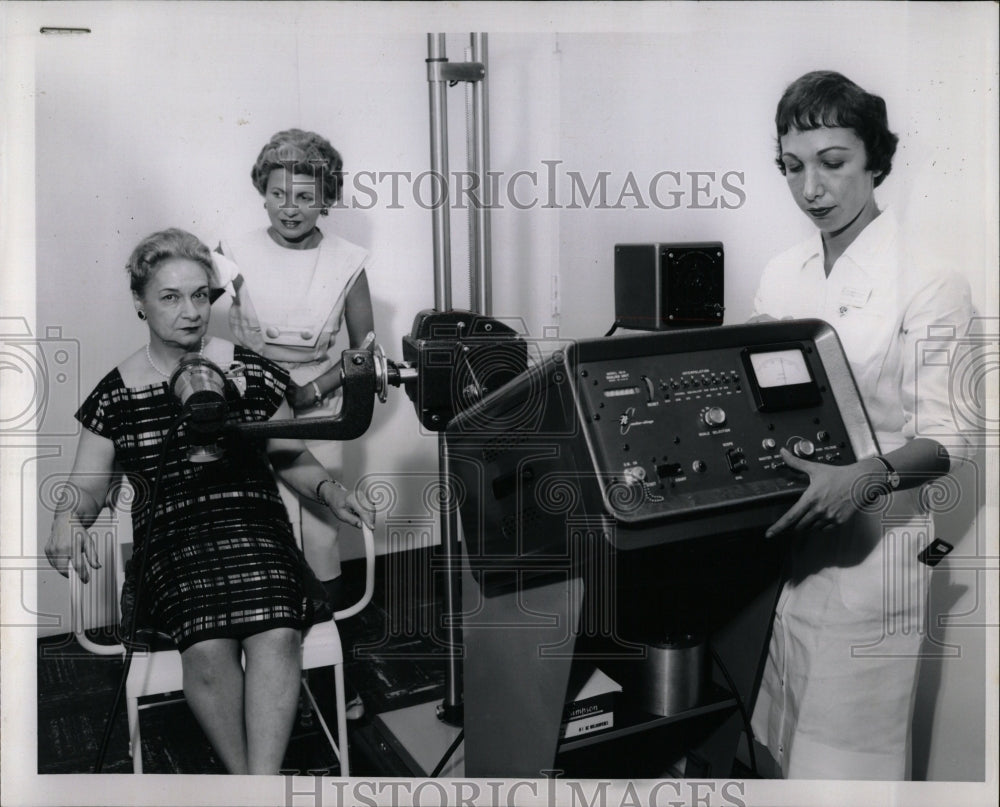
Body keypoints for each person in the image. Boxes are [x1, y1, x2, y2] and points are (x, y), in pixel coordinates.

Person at [44, 229, 374, 775]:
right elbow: (87, 489)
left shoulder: (249, 371)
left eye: (200, 294)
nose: (190, 311)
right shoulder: (115, 393)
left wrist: (331, 492)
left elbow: (290, 456)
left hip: (254, 530)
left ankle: (256, 787)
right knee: (205, 641)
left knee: (275, 627)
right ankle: (251, 783)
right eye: (170, 297)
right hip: (173, 544)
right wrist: (66, 519)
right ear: (140, 304)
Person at [748, 71, 975, 780]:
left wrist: (864, 478)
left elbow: (952, 438)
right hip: (788, 538)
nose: (811, 188)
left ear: (875, 159)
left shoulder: (931, 279)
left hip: (877, 554)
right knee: (776, 742)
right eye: (793, 167)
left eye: (833, 163)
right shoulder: (781, 274)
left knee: (844, 768)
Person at [212, 129, 375, 718]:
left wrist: (313, 388)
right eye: (279, 193)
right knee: (250, 532)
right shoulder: (231, 250)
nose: (290, 207)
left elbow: (364, 353)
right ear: (263, 194)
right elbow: (189, 322)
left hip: (317, 405)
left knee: (322, 538)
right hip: (246, 402)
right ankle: (255, 672)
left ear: (326, 198)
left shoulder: (347, 262)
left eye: (305, 195)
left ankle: (332, 672)